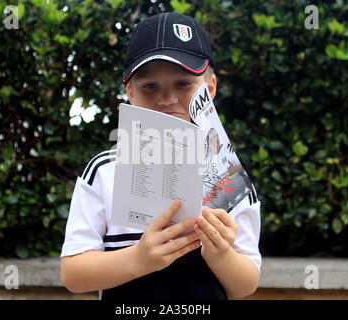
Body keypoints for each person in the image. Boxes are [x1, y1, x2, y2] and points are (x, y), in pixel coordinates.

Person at [60, 12, 261, 300]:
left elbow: (246, 284)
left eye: (183, 84)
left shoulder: (230, 176)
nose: (167, 99)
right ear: (130, 93)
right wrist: (138, 259)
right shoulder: (104, 170)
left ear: (210, 88)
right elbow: (72, 274)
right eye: (150, 86)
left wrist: (220, 255)